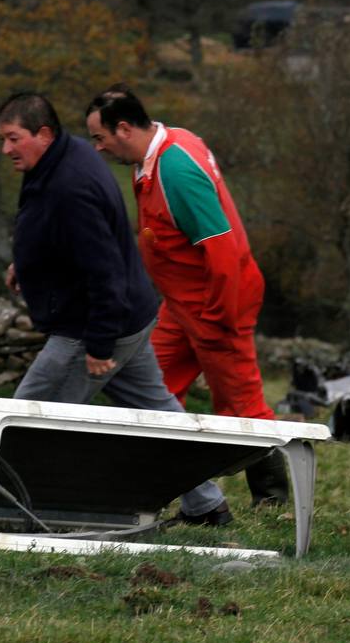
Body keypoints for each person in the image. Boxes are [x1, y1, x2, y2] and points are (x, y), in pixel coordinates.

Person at [0, 92, 231, 526]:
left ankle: (16, 510)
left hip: (92, 325)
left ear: (43, 134)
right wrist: (27, 265)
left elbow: (104, 272)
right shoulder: (64, 159)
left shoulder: (70, 187)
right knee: (155, 414)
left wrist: (100, 345)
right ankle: (207, 504)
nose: (6, 149)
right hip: (130, 316)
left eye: (13, 138)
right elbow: (62, 235)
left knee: (27, 419)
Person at [83, 84, 289, 506]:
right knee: (149, 383)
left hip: (215, 299)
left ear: (124, 129)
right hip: (181, 304)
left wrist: (220, 315)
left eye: (100, 138)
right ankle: (149, 484)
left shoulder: (176, 170)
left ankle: (274, 499)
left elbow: (224, 248)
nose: (98, 149)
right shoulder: (165, 147)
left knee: (241, 400)